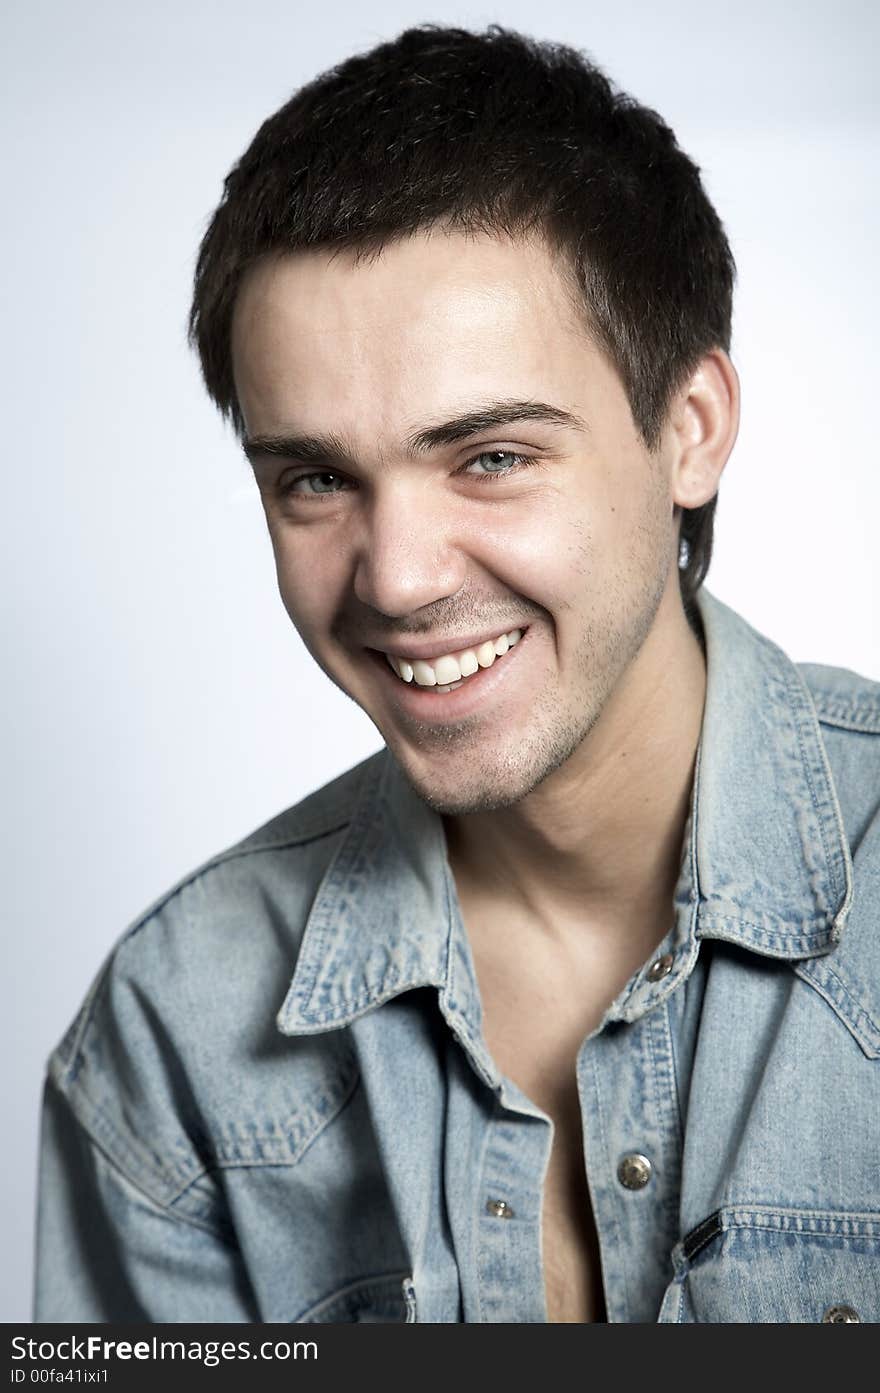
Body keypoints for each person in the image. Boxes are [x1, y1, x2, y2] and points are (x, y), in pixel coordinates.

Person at [34, 24, 880, 1325]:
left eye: (489, 455)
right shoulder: (170, 1033)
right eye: (316, 478)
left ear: (690, 431)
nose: (398, 578)